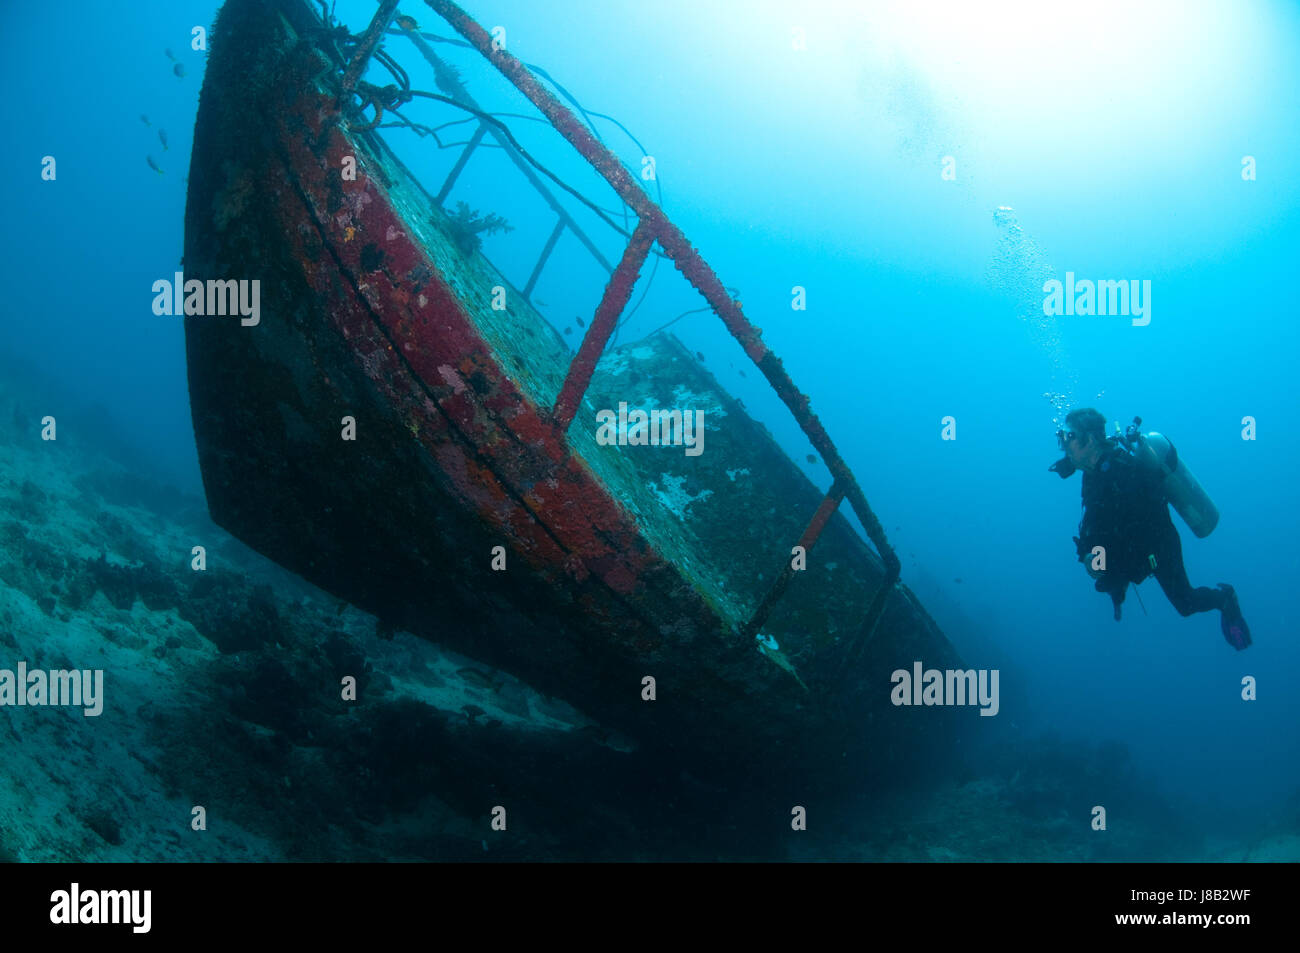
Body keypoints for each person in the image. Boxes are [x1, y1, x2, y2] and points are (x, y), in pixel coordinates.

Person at [1049, 408, 1251, 650]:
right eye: (1062, 436)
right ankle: (1117, 584)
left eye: (1069, 436)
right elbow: (1095, 524)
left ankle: (1225, 599)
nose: (1064, 444)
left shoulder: (1120, 472)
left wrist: (1106, 565)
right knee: (1110, 578)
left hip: (1159, 546)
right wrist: (1090, 555)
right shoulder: (1094, 472)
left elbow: (1132, 525)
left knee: (1185, 604)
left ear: (1091, 440)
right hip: (1133, 550)